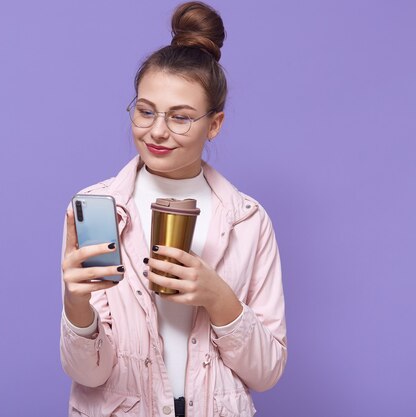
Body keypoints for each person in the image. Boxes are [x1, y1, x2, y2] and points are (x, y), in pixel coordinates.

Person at [59, 2, 287, 416]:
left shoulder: (248, 220)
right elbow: (89, 375)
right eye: (145, 111)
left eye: (181, 118)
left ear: (214, 124)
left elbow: (267, 373)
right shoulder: (98, 209)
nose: (157, 131)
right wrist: (76, 306)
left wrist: (219, 299)